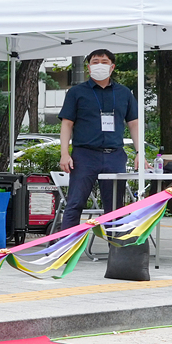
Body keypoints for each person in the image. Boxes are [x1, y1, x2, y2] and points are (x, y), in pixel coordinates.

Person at [59, 49, 140, 228]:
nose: (99, 65)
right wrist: (64, 153)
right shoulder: (76, 92)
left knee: (115, 207)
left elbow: (134, 123)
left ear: (112, 67)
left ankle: (116, 251)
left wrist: (139, 152)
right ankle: (66, 250)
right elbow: (66, 124)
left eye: (104, 62)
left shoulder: (124, 93)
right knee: (75, 203)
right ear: (88, 67)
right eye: (95, 62)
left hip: (114, 155)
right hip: (84, 155)